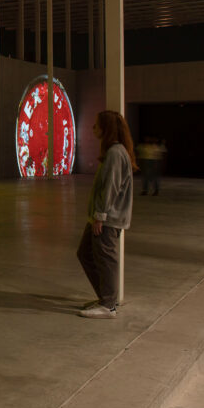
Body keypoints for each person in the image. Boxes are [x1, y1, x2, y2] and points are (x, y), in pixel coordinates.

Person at [77, 110, 137, 318]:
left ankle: (108, 304)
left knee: (105, 257)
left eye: (96, 125)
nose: (93, 129)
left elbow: (110, 187)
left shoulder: (115, 153)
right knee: (85, 253)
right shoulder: (115, 151)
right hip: (102, 216)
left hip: (107, 218)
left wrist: (100, 215)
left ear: (106, 128)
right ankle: (105, 297)